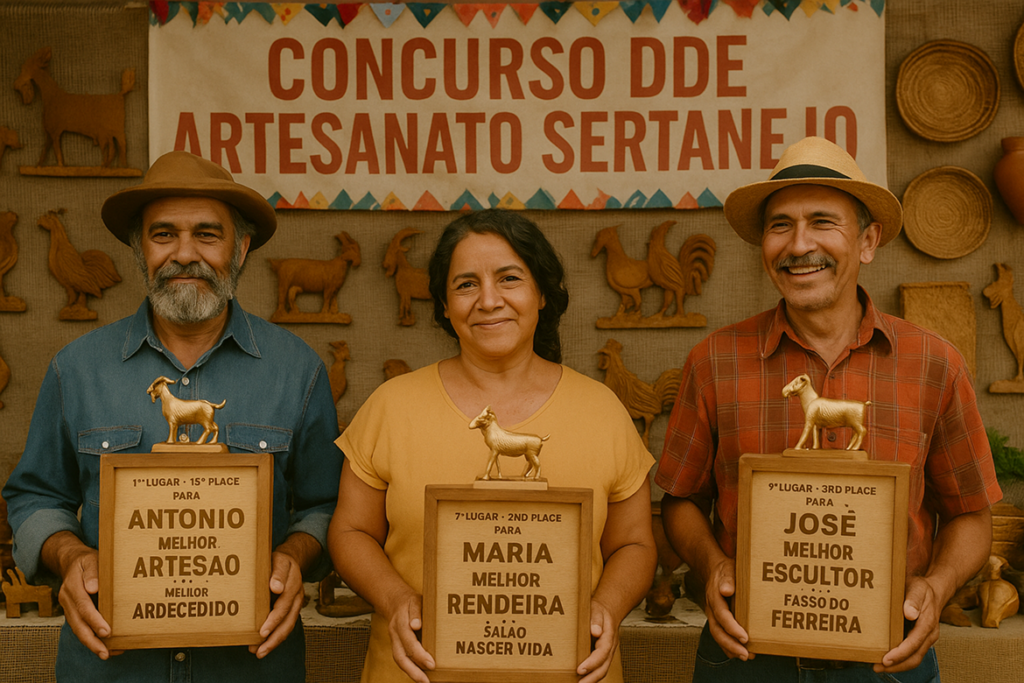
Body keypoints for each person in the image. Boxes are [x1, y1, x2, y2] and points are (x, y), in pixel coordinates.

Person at [656, 136, 1001, 682]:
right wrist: (712, 564)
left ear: (867, 242)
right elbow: (678, 501)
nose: (799, 245)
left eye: (823, 222)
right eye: (779, 225)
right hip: (746, 658)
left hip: (890, 659)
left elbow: (970, 513)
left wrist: (936, 587)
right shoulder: (713, 362)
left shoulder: (936, 363)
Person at [2, 151, 341, 682]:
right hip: (108, 667)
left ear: (241, 247)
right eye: (163, 235)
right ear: (140, 249)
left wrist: (295, 556)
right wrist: (68, 556)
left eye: (208, 234)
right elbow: (34, 495)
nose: (185, 254)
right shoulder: (76, 368)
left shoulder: (299, 372)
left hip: (250, 668)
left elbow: (327, 504)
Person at [328, 209, 657, 683]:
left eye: (509, 278)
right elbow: (350, 532)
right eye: (465, 284)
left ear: (541, 293)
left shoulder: (603, 410)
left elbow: (634, 543)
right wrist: (396, 600)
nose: (488, 300)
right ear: (442, 304)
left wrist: (606, 607)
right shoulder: (390, 406)